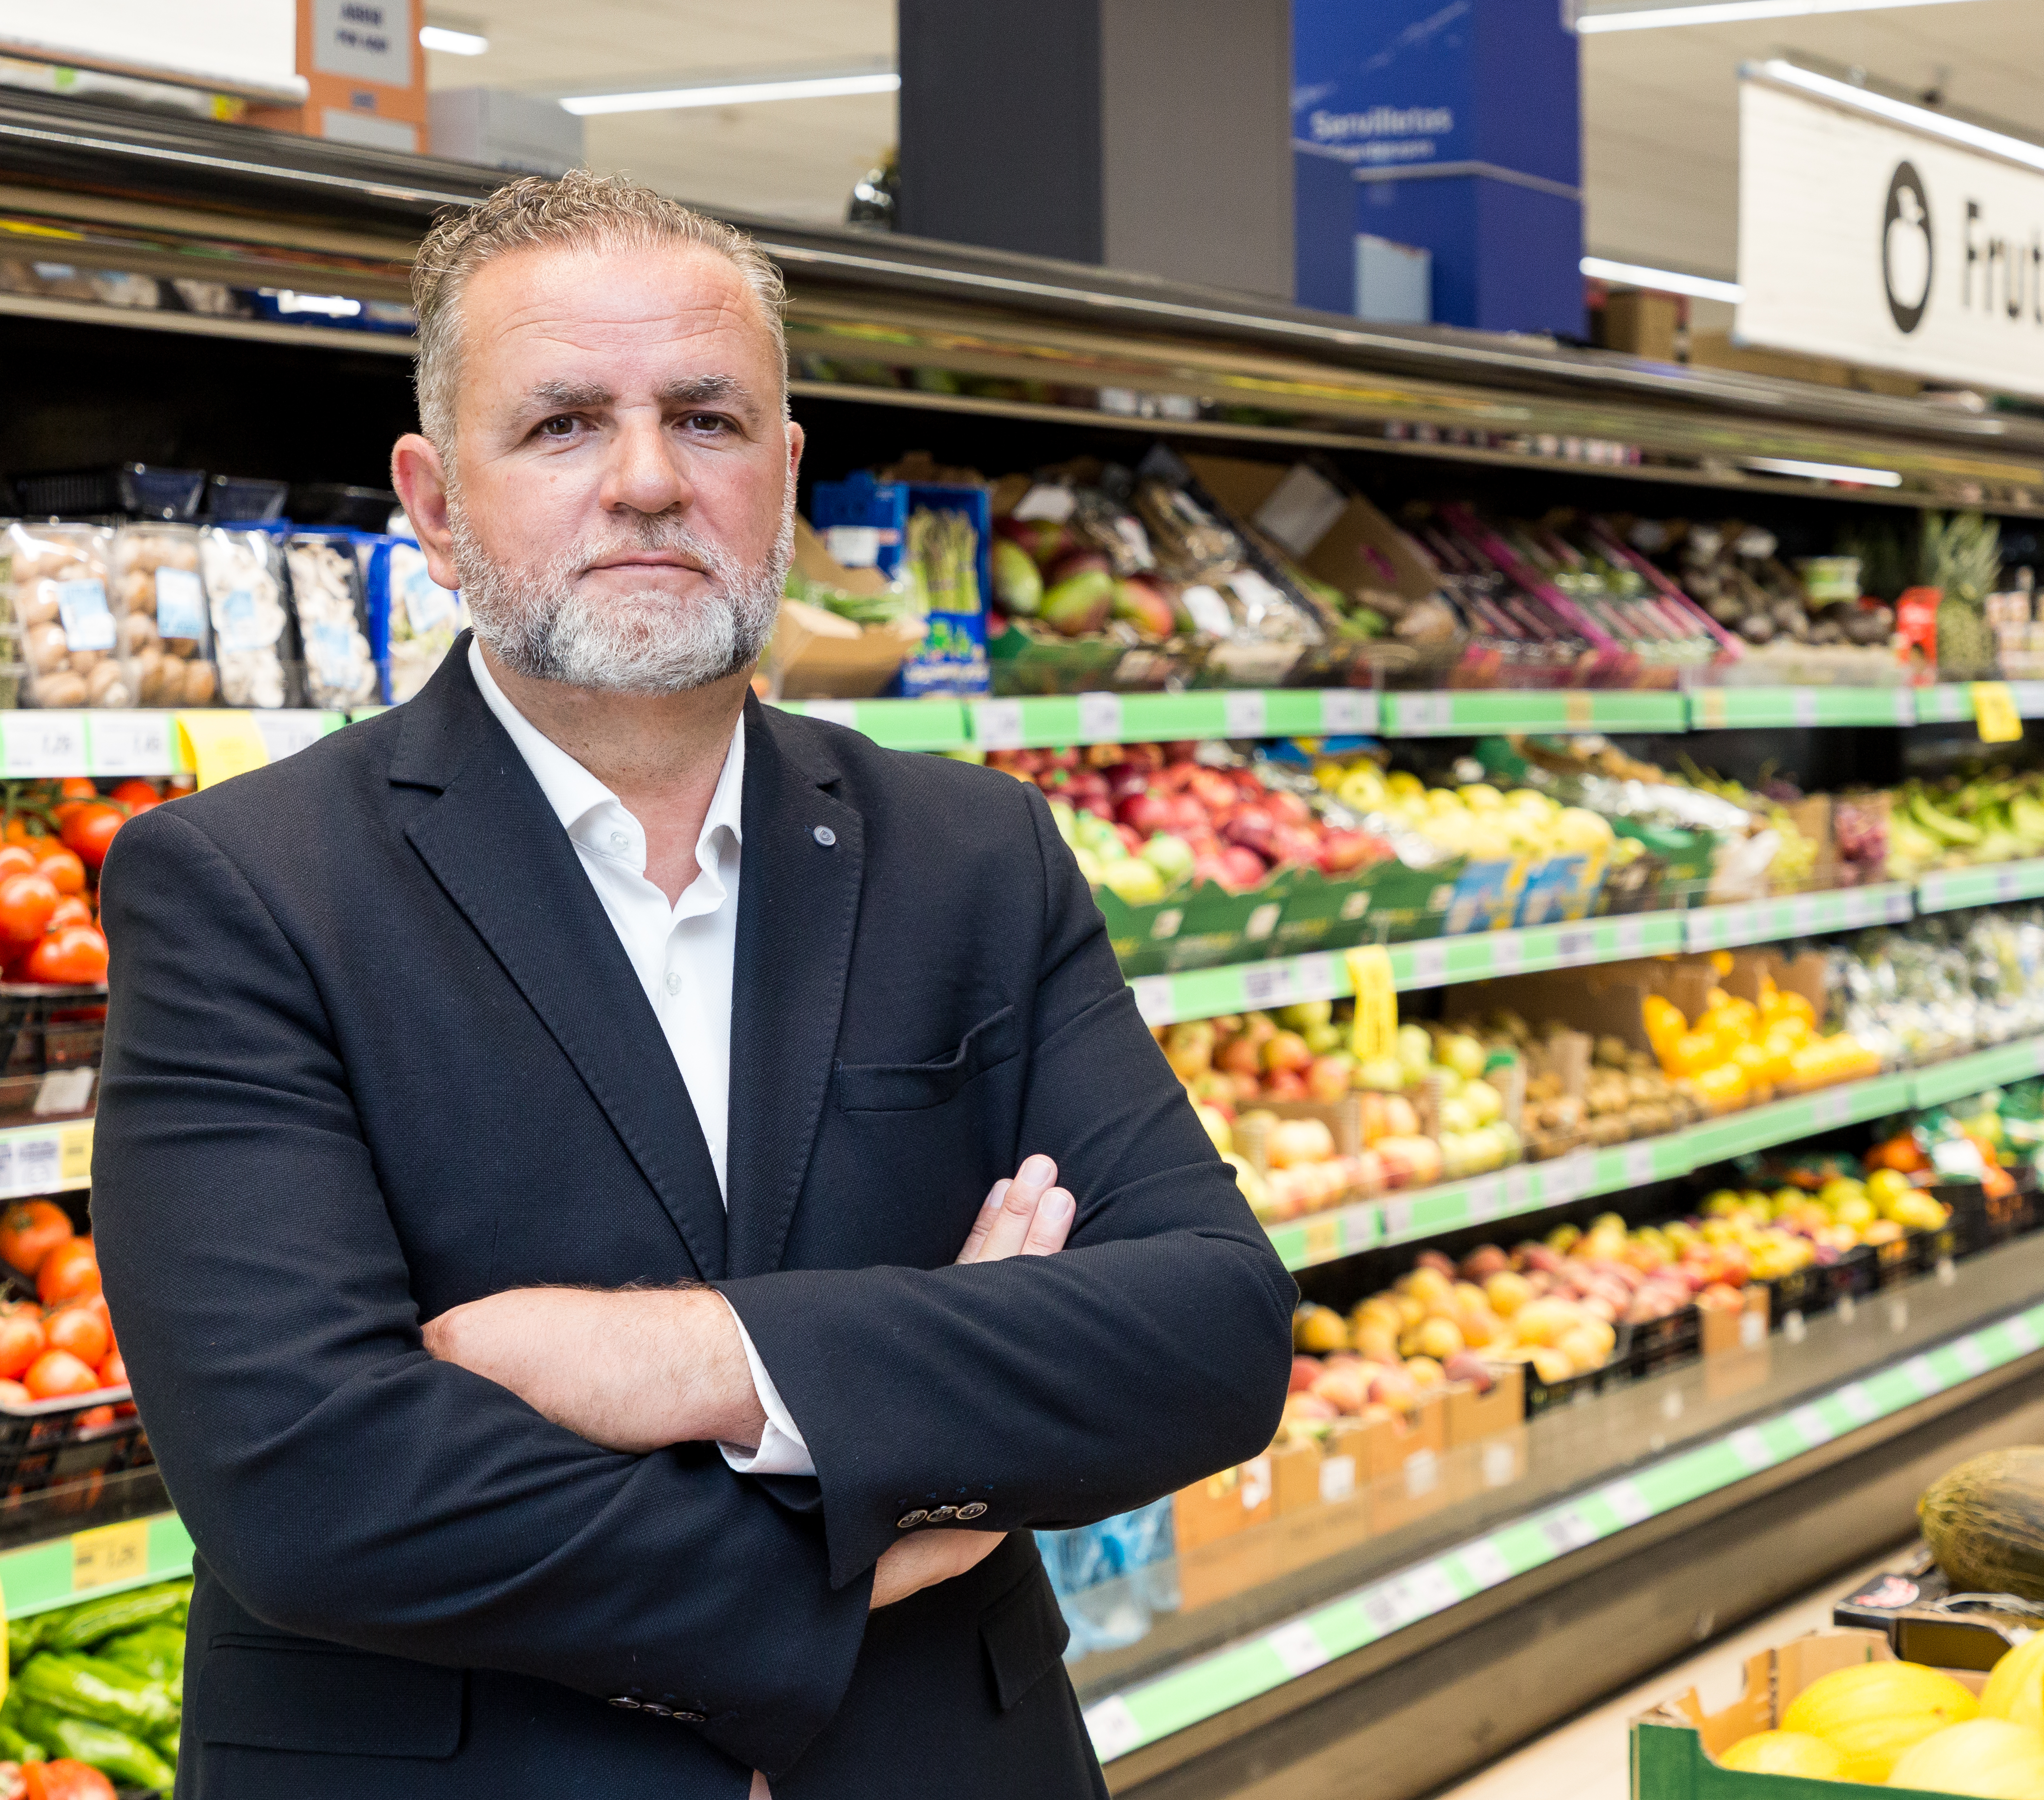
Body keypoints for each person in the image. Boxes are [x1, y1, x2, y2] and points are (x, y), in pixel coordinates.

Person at [91, 171, 1294, 1799]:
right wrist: (893, 1494)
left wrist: (699, 1357)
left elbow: (1211, 1331)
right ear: (436, 506)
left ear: (784, 479)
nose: (648, 482)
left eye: (709, 420)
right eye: (565, 424)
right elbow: (310, 1479)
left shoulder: (974, 854)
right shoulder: (243, 886)